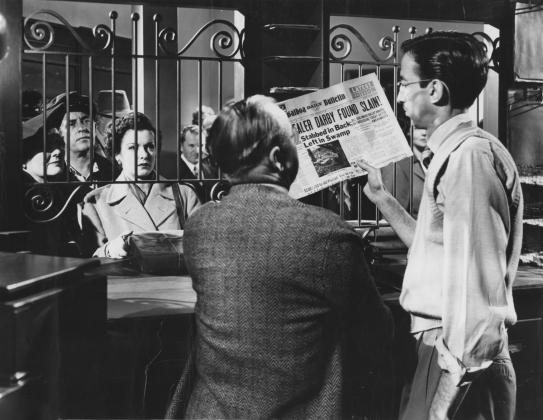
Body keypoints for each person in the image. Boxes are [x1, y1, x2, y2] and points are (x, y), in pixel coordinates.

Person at [166, 95, 392, 419]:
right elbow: (376, 333)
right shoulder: (327, 233)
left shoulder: (199, 226)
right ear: (278, 157)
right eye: (294, 140)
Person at [357, 31, 523, 420]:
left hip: (455, 354)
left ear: (434, 90)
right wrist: (382, 198)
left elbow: (477, 298)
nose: (399, 96)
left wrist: (440, 405)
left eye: (404, 83)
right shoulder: (461, 152)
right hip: (449, 350)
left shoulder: (469, 159)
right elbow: (435, 250)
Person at [81, 112, 201, 258]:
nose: (144, 154)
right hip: (123, 274)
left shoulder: (185, 195)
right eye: (133, 147)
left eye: (150, 146)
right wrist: (110, 250)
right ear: (117, 154)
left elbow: (203, 248)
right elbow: (91, 260)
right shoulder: (97, 202)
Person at [21, 129, 87, 256]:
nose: (58, 152)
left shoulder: (62, 192)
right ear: (24, 159)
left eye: (60, 145)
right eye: (46, 147)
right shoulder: (17, 197)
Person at [179, 124, 218, 201]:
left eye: (200, 145)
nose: (197, 151)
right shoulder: (173, 172)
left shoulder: (212, 168)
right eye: (191, 146)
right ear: (181, 146)